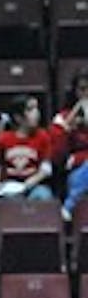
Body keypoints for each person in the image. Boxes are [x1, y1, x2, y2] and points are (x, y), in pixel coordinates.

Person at [0, 93, 53, 203]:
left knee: (43, 195)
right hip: (10, 185)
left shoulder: (43, 136)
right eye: (30, 110)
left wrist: (30, 183)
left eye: (36, 108)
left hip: (34, 185)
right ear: (18, 117)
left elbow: (46, 168)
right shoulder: (3, 138)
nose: (37, 113)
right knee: (8, 201)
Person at [49, 65, 88, 221]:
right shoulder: (62, 119)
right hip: (76, 174)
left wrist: (78, 158)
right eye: (83, 89)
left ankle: (69, 205)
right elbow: (57, 158)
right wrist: (67, 129)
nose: (87, 95)